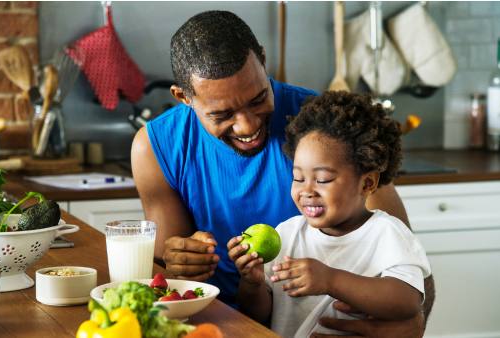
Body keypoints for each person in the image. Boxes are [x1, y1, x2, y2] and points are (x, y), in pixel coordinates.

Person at [131, 10, 435, 337]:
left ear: (263, 60)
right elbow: (166, 279)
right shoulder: (155, 147)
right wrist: (180, 261)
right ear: (183, 97)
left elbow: (414, 277)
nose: (248, 126)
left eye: (259, 98)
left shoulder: (324, 130)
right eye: (222, 114)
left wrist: (410, 328)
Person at [227, 91, 431, 337]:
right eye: (298, 178)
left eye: (323, 179)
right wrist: (252, 283)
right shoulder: (287, 234)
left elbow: (407, 301)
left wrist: (330, 280)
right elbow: (260, 315)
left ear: (367, 184)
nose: (306, 190)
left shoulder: (387, 233)